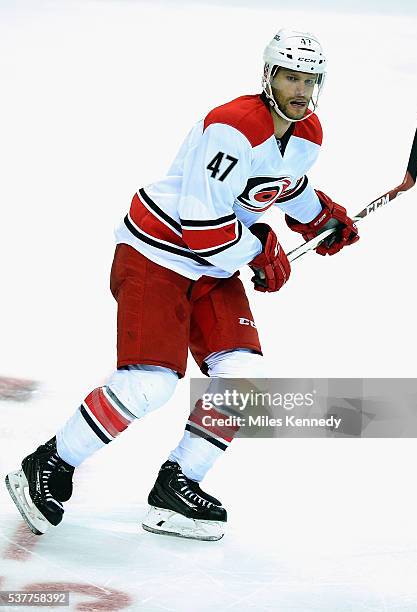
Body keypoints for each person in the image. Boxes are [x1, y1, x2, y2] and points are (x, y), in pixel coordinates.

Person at [5, 28, 358, 541]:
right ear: (268, 76)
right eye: (290, 77)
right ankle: (49, 463)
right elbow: (202, 230)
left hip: (213, 266)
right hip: (157, 256)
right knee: (151, 385)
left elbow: (281, 184)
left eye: (310, 79)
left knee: (240, 378)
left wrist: (319, 216)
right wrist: (261, 249)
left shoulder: (307, 135)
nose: (301, 90)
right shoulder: (233, 128)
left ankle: (177, 486)